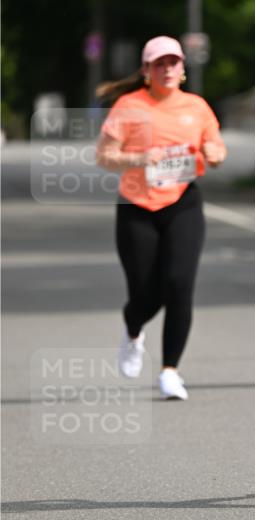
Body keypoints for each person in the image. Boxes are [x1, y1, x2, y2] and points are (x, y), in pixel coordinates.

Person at [96, 36, 227, 400]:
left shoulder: (196, 106)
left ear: (183, 69)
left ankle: (170, 370)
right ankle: (133, 329)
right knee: (144, 291)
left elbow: (216, 147)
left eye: (174, 63)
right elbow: (105, 156)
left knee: (179, 283)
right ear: (146, 70)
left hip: (182, 202)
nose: (167, 69)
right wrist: (140, 159)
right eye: (159, 63)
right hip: (137, 205)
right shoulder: (128, 105)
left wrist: (212, 152)